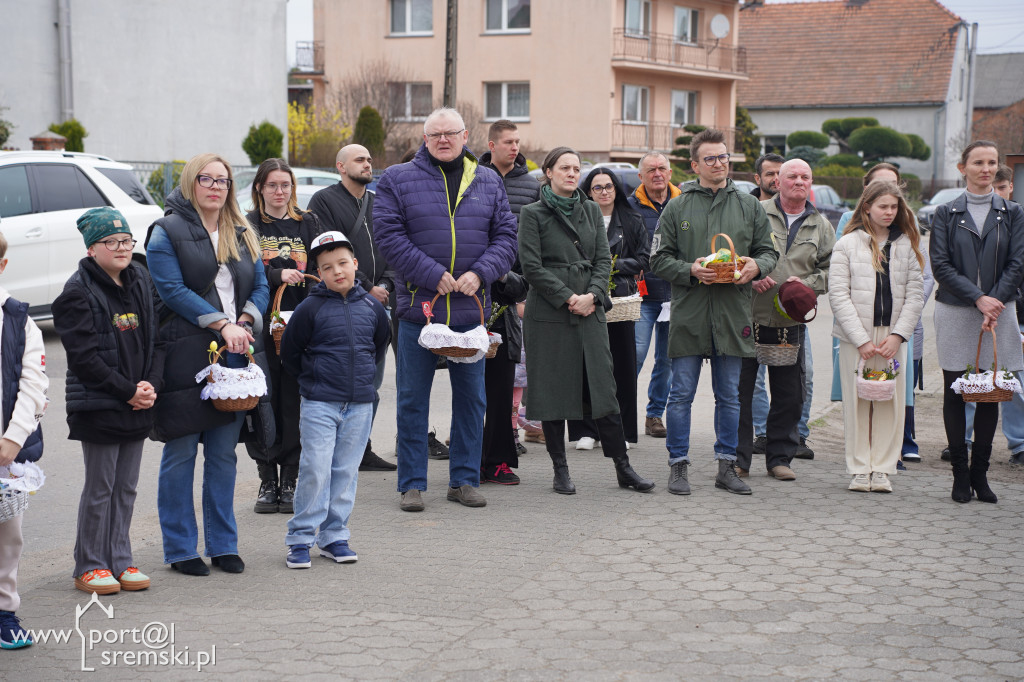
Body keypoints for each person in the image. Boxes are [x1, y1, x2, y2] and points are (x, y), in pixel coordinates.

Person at [374, 107, 518, 512]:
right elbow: (388, 234)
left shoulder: (488, 180)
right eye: (434, 134)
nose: (442, 140)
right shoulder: (398, 179)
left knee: (472, 399)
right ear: (424, 138)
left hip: (471, 311)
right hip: (420, 308)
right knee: (412, 399)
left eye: (450, 133)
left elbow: (507, 235)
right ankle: (412, 484)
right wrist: (430, 272)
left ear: (465, 135)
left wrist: (482, 273)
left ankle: (464, 480)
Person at [145, 153, 269, 575]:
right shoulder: (166, 231)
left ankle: (223, 545)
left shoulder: (243, 229)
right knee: (180, 452)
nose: (216, 187)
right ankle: (180, 549)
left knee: (222, 455)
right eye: (207, 179)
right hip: (184, 354)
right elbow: (171, 290)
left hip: (234, 354)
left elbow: (262, 285)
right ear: (190, 182)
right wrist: (222, 323)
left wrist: (247, 319)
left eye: (224, 180)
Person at [518, 147, 654, 495]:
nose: (572, 173)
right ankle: (560, 470)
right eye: (564, 167)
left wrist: (593, 295)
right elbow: (531, 267)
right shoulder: (532, 213)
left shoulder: (592, 209)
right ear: (548, 172)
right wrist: (567, 297)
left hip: (590, 308)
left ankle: (623, 468)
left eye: (576, 168)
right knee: (552, 391)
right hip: (549, 313)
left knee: (603, 388)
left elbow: (603, 260)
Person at [650, 128, 778, 496]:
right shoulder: (677, 206)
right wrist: (690, 270)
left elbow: (768, 252)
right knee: (680, 395)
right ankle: (678, 466)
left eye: (724, 157)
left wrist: (757, 267)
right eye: (711, 158)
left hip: (732, 314)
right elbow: (658, 258)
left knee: (730, 396)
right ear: (694, 165)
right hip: (689, 314)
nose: (720, 163)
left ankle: (727, 466)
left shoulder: (748, 204)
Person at [53, 208, 164, 595]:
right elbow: (84, 359)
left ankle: (120, 558)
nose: (122, 248)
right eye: (111, 242)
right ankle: (90, 564)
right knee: (100, 487)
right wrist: (127, 390)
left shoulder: (141, 280)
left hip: (138, 400)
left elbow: (157, 341)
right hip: (100, 405)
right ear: (91, 249)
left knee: (127, 487)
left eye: (126, 241)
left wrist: (150, 385)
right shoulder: (76, 292)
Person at [280, 231, 391, 568]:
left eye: (343, 263)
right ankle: (301, 538)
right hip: (319, 403)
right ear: (320, 272)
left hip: (359, 403)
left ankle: (334, 536)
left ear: (355, 264)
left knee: (345, 470)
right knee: (315, 467)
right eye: (327, 267)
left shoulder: (373, 306)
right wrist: (315, 381)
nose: (337, 271)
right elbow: (290, 353)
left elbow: (379, 345)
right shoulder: (308, 309)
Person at [931, 141, 1024, 503]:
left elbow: (1018, 263)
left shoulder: (1014, 212)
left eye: (992, 163)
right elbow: (941, 265)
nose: (986, 169)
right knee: (956, 390)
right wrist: (978, 297)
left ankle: (980, 476)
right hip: (956, 309)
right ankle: (958, 475)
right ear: (962, 167)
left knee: (991, 393)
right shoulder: (944, 212)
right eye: (978, 162)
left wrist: (995, 301)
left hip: (999, 312)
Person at [736, 160, 834, 481]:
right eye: (792, 176)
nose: (799, 181)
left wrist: (807, 286)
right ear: (777, 181)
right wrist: (749, 275)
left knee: (789, 395)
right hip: (747, 317)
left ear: (811, 183)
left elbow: (831, 270)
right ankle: (739, 459)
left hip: (788, 322)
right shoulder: (753, 211)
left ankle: (779, 459)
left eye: (805, 176)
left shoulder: (821, 226)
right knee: (741, 392)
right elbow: (732, 253)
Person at [832, 164, 933, 466]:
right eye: (883, 206)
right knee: (858, 404)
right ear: (867, 207)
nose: (889, 212)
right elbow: (839, 295)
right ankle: (860, 467)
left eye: (894, 206)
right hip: (857, 339)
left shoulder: (907, 244)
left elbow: (915, 296)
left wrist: (898, 335)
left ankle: (884, 468)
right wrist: (861, 339)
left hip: (892, 337)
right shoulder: (847, 244)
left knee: (891, 404)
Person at [307, 145, 397, 473]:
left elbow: (390, 246)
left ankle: (362, 448)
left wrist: (385, 286)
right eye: (360, 159)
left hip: (380, 305)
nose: (368, 164)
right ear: (340, 166)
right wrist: (364, 287)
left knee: (371, 381)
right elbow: (329, 252)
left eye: (370, 160)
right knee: (344, 378)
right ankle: (339, 450)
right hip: (344, 304)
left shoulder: (377, 202)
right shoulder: (324, 201)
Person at [246, 158, 323, 515]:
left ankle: (290, 477)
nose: (280, 192)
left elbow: (324, 265)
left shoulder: (308, 223)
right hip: (260, 328)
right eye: (273, 185)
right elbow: (242, 272)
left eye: (286, 185)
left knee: (295, 401)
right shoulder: (246, 226)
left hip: (301, 327)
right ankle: (267, 477)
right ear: (260, 187)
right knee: (263, 402)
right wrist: (276, 276)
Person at [567, 167, 649, 451]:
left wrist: (610, 266)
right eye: (597, 187)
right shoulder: (576, 219)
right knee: (584, 365)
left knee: (622, 368)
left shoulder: (632, 219)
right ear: (588, 191)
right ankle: (585, 430)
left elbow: (644, 259)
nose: (604, 192)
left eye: (609, 186)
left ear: (616, 190)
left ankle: (622, 431)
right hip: (585, 298)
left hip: (621, 301)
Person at [478, 119, 537, 484]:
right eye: (508, 142)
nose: (514, 147)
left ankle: (498, 460)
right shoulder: (473, 178)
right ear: (492, 144)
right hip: (471, 291)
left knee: (502, 385)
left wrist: (521, 291)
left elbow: (533, 248)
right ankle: (468, 457)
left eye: (518, 141)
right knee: (472, 386)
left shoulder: (530, 186)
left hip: (508, 293)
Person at [0, 227, 47, 649]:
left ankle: (4, 611)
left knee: (7, 534)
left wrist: (13, 440)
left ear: (2, 266)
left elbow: (33, 384)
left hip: (4, 451)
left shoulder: (18, 319)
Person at [629, 152, 681, 439]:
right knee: (634, 355)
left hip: (677, 295)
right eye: (651, 170)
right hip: (642, 297)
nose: (657, 173)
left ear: (670, 173)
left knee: (668, 360)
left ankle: (654, 416)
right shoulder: (630, 206)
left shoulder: (685, 203)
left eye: (662, 168)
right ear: (641, 176)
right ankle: (620, 413)